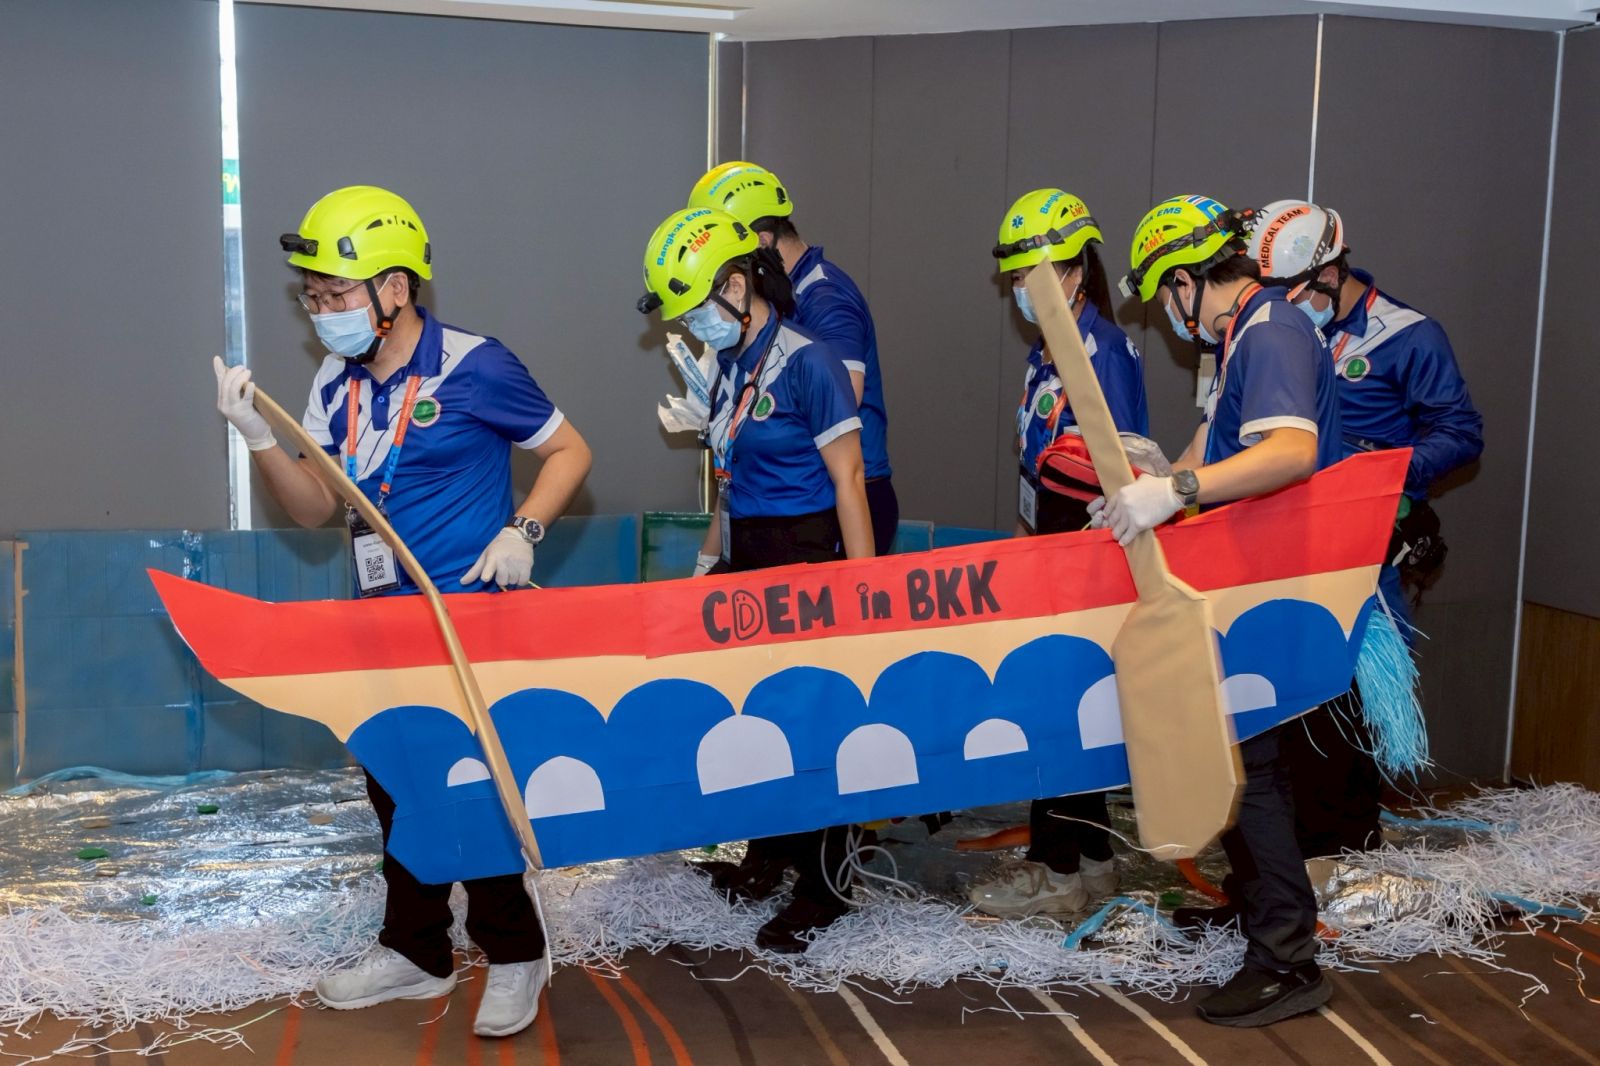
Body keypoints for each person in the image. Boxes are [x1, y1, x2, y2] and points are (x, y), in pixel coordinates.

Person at [213, 185, 591, 1037]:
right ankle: (418, 953)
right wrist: (260, 439)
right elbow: (316, 508)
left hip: (468, 622)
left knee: (473, 790)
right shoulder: (334, 381)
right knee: (395, 791)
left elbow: (571, 450)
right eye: (312, 297)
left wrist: (524, 530)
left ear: (395, 287)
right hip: (381, 623)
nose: (321, 313)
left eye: (335, 295)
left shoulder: (476, 366)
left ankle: (516, 953)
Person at [1097, 194, 1342, 1028]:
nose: (1169, 315)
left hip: (1275, 580)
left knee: (1253, 766)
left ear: (1188, 279)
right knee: (1237, 756)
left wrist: (1178, 490)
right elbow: (1218, 441)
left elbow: (1292, 450)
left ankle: (1287, 958)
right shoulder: (1245, 334)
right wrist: (1150, 492)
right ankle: (1257, 907)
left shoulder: (1270, 333)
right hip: (1250, 576)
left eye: (1166, 294)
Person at [637, 206, 873, 952]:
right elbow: (731, 482)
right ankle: (768, 857)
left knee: (813, 724)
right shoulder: (732, 366)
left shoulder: (809, 360)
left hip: (806, 559)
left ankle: (826, 887)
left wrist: (865, 591)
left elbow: (850, 480)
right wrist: (707, 564)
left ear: (737, 285)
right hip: (747, 558)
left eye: (697, 309)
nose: (694, 325)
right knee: (758, 719)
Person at [1245, 200, 1483, 857]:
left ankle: (1348, 851)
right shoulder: (1276, 331)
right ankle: (1295, 853)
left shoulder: (1408, 335)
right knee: (1292, 706)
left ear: (1329, 273)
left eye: (1294, 292)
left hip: (1365, 551)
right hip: (1285, 545)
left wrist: (1384, 472)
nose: (1285, 305)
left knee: (1353, 702)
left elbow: (1462, 433)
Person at [964, 189, 1149, 919]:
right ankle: (1093, 860)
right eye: (1013, 277)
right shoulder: (1047, 355)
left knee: (1060, 713)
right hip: (1050, 548)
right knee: (1074, 711)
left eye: (1029, 275)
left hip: (1089, 555)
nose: (1019, 290)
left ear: (1073, 272)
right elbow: (1037, 464)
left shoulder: (1101, 353)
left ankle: (1056, 870)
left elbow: (1119, 463)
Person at [687, 162, 898, 558]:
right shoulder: (764, 306)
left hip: (847, 495)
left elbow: (840, 402)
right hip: (791, 499)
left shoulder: (824, 298)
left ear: (761, 241)